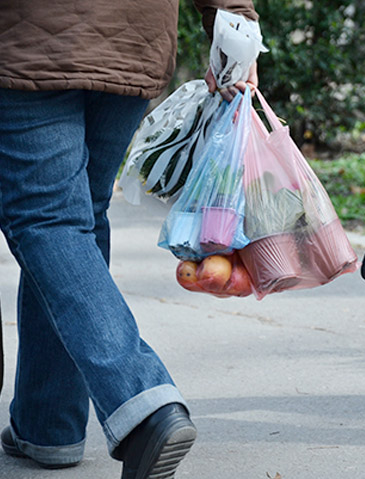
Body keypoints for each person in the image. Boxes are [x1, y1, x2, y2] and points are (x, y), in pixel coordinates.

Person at [0, 0, 258, 476]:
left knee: (48, 220)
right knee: (77, 218)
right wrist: (236, 28)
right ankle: (47, 425)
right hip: (132, 38)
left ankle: (142, 403)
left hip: (27, 39)